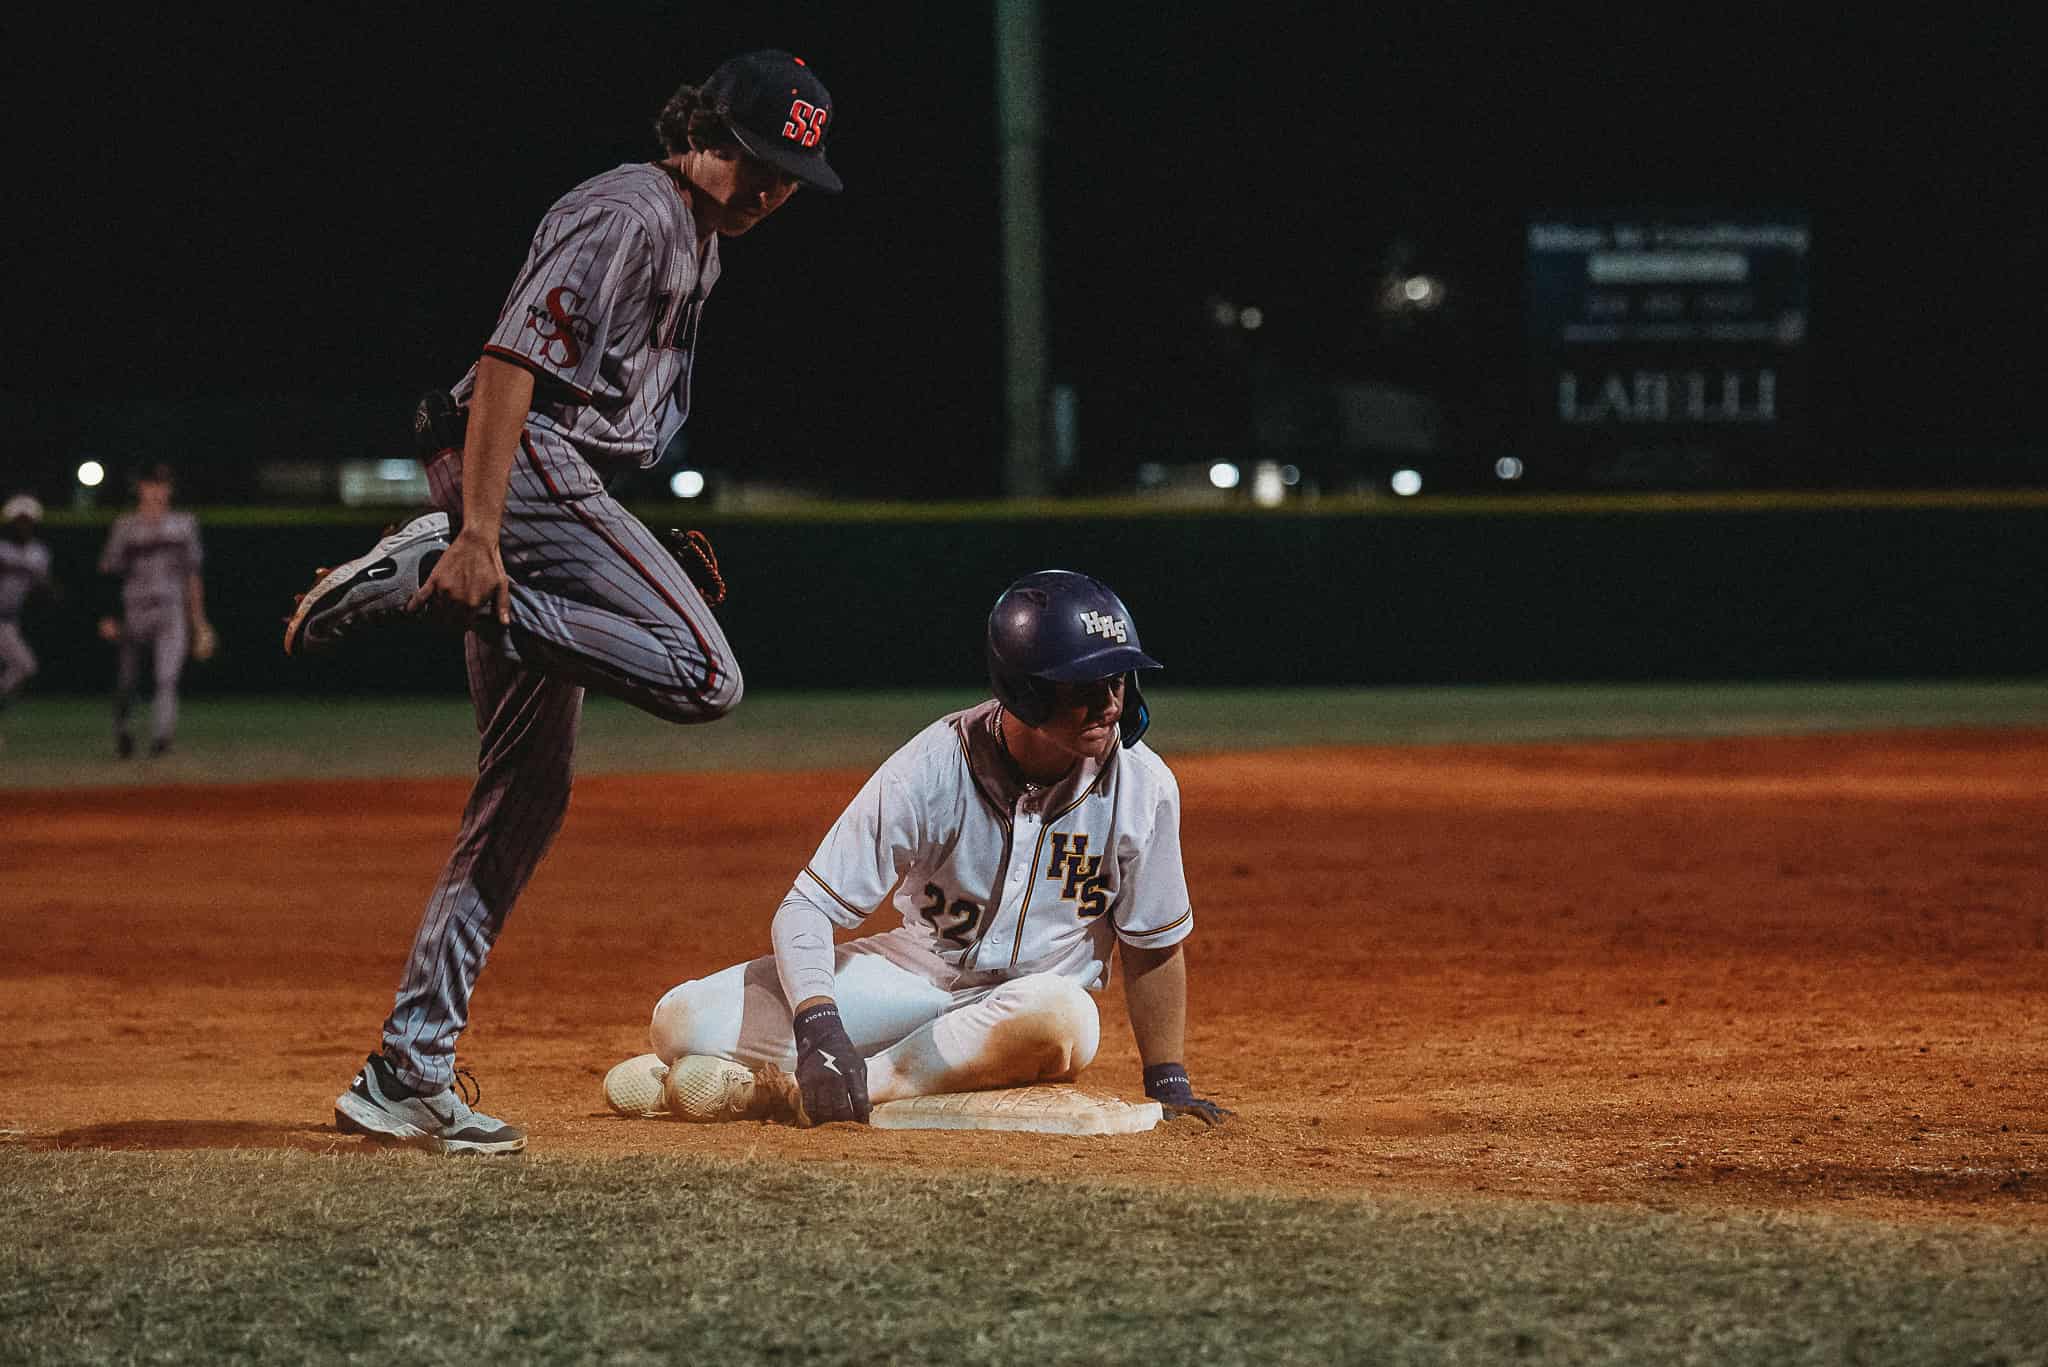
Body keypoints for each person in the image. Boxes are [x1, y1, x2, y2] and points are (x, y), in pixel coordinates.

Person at [284, 50, 843, 1155]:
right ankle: (434, 577)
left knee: (525, 792)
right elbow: (506, 365)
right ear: (707, 134)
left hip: (553, 483)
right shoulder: (632, 209)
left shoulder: (700, 242)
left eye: (792, 173)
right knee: (706, 672)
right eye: (760, 159)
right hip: (525, 466)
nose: (775, 187)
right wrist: (483, 538)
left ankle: (407, 1067)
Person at [606, 570, 1232, 1129]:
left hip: (1028, 1005)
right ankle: (842, 1068)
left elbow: (1153, 944)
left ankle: (797, 1091)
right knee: (680, 1021)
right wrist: (820, 1025)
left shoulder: (1143, 785)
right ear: (1025, 689)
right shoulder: (933, 767)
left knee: (1064, 1016)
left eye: (1118, 678)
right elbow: (806, 908)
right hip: (915, 977)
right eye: (1084, 685)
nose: (1110, 701)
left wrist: (1167, 1079)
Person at [96, 465, 211, 758]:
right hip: (132, 609)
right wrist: (107, 615)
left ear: (170, 489)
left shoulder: (184, 524)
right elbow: (109, 573)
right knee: (126, 682)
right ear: (141, 488)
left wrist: (199, 622)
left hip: (170, 608)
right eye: (151, 484)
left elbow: (192, 576)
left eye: (162, 484)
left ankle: (162, 741)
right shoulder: (125, 526)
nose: (157, 490)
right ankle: (123, 730)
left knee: (166, 678)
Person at [0, 494, 56, 713]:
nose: (23, 525)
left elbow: (42, 585)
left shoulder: (38, 553)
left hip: (9, 620)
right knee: (25, 665)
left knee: (25, 666)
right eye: (19, 521)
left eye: (28, 521)